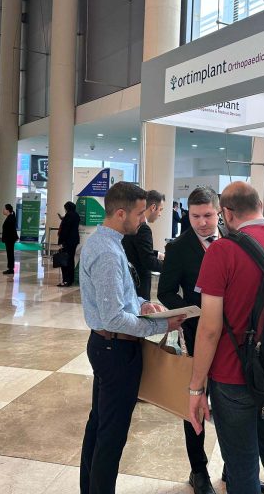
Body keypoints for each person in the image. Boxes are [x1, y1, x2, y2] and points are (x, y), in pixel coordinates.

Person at [188, 182, 264, 494]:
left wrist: (196, 387)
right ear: (260, 206)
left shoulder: (222, 251)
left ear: (226, 214)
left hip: (233, 375)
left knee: (242, 464)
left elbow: (210, 328)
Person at [79, 181, 185, 494]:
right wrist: (161, 326)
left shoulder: (107, 242)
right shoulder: (108, 253)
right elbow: (113, 317)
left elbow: (121, 299)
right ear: (121, 213)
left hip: (107, 345)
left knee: (99, 425)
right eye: (139, 213)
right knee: (110, 435)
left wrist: (142, 305)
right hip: (115, 349)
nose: (143, 219)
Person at [158, 187, 230, 494]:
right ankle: (198, 470)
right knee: (196, 400)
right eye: (195, 216)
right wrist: (191, 313)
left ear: (219, 212)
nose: (201, 222)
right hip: (197, 334)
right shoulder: (178, 247)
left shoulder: (233, 239)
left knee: (231, 404)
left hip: (233, 337)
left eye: (208, 215)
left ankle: (234, 467)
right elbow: (165, 291)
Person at [121, 190, 165, 300]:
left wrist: (158, 254)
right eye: (160, 209)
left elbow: (136, 249)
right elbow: (148, 261)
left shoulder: (129, 224)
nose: (160, 214)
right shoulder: (143, 228)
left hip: (127, 282)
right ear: (153, 207)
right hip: (139, 284)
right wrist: (171, 266)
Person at [57, 201, 80, 287]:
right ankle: (70, 280)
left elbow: (65, 230)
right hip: (74, 241)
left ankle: (66, 280)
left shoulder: (69, 215)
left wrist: (61, 241)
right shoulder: (76, 215)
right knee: (70, 260)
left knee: (65, 260)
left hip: (67, 241)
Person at [1, 204, 18, 275]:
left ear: (7, 210)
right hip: (9, 238)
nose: (3, 210)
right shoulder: (10, 217)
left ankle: (11, 269)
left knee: (10, 253)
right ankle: (10, 268)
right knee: (10, 253)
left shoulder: (11, 218)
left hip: (10, 239)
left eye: (4, 209)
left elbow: (11, 230)